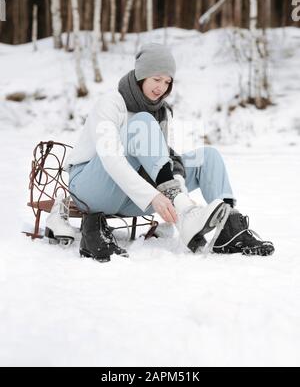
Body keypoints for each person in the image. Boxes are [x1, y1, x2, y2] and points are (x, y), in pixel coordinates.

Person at [63, 43, 274, 262]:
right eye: (156, 79)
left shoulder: (161, 112)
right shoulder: (111, 102)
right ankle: (183, 209)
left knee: (207, 157)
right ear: (141, 76)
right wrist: (154, 196)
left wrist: (172, 188)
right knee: (143, 122)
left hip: (132, 197)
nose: (161, 87)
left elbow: (166, 160)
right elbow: (110, 159)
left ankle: (230, 229)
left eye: (167, 82)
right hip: (91, 191)